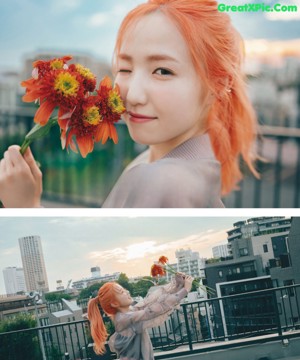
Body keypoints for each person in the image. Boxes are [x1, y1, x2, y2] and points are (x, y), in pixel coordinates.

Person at [0, 0, 257, 208]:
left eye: (163, 71)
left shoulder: (160, 178)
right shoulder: (172, 162)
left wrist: (23, 206)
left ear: (220, 84)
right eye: (125, 68)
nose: (132, 95)